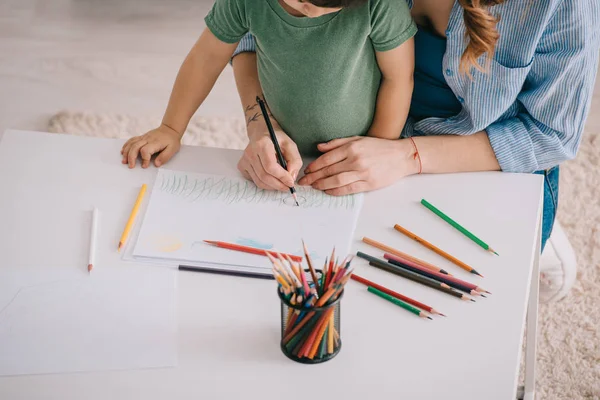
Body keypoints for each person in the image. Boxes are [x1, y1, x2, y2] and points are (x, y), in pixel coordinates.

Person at [226, 0, 600, 302]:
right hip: (365, 138)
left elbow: (552, 134)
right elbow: (247, 26)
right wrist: (261, 123)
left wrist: (407, 156)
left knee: (468, 296)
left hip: (486, 162)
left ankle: (548, 253)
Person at [120, 0, 417, 185]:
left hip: (359, 151)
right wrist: (171, 127)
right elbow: (206, 58)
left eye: (329, 4)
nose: (311, 10)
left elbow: (399, 78)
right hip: (283, 149)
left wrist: (378, 148)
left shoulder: (381, 4)